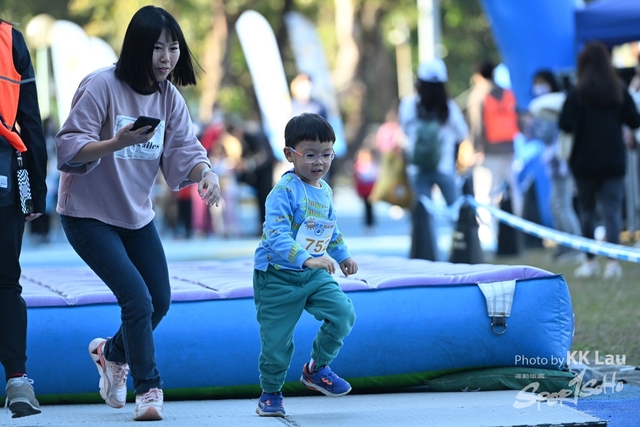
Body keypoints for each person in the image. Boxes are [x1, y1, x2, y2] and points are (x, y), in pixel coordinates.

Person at [55, 6, 221, 421]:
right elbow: (69, 147)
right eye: (157, 48)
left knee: (159, 300)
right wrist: (116, 142)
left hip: (135, 216)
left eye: (173, 48)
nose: (166, 58)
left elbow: (185, 151)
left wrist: (206, 173)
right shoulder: (101, 85)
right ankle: (148, 389)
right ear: (136, 48)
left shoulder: (169, 98)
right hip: (87, 215)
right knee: (137, 298)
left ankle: (111, 353)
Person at [252, 113, 357, 417]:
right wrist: (306, 258)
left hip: (312, 274)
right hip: (278, 276)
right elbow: (276, 235)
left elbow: (329, 229)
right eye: (310, 155)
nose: (319, 162)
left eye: (326, 154)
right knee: (276, 342)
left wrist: (343, 255)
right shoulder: (284, 192)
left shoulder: (325, 190)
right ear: (290, 154)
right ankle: (270, 393)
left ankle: (317, 368)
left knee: (343, 313)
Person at [559, 41, 640, 279]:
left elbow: (565, 124)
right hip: (613, 160)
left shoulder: (578, 92)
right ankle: (612, 263)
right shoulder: (618, 89)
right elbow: (635, 120)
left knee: (587, 211)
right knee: (611, 212)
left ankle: (590, 261)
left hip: (583, 162)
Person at [0, 18, 47, 419]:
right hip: (3, 175)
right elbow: (29, 119)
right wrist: (36, 190)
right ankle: (17, 381)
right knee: (5, 282)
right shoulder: (8, 38)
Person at [527, 69, 584, 263]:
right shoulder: (554, 102)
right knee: (556, 205)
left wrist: (533, 124)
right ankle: (564, 246)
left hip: (561, 162)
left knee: (562, 205)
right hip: (557, 162)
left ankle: (576, 247)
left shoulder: (555, 104)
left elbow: (547, 134)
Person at [399, 57, 468, 206]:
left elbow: (404, 130)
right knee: (455, 209)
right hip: (444, 166)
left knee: (423, 211)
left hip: (417, 167)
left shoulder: (409, 105)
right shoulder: (449, 108)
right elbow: (462, 134)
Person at [467, 61, 522, 242]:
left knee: (485, 193)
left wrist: (476, 149)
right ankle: (517, 230)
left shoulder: (479, 94)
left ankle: (488, 234)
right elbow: (518, 119)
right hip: (509, 148)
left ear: (479, 75)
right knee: (513, 191)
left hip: (488, 152)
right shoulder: (508, 93)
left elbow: (476, 125)